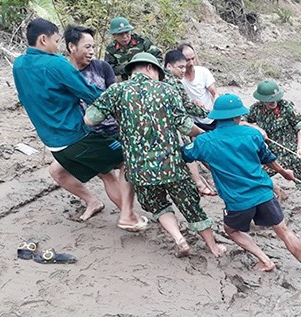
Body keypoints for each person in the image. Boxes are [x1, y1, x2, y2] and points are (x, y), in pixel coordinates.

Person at [84, 52, 225, 258]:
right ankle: (214, 248)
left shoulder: (116, 91)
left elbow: (90, 119)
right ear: (151, 69)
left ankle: (179, 239)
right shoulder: (167, 90)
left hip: (139, 169)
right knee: (191, 207)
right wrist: (206, 136)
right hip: (171, 164)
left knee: (159, 206)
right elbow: (185, 126)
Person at [13, 18, 145, 231]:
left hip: (54, 143)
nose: (58, 47)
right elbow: (92, 94)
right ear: (44, 39)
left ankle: (95, 202)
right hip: (76, 136)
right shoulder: (55, 63)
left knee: (86, 172)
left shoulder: (19, 64)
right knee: (124, 161)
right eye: (56, 41)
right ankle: (129, 216)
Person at [181, 93, 301, 273]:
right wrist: (284, 173)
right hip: (264, 192)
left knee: (231, 230)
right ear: (237, 116)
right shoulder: (252, 134)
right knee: (283, 231)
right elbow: (268, 159)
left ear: (216, 117)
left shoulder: (204, 141)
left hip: (238, 200)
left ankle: (265, 260)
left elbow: (185, 155)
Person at [46, 25, 118, 221]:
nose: (92, 51)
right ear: (71, 47)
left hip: (111, 131)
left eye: (93, 47)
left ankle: (132, 213)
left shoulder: (102, 67)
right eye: (87, 47)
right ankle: (94, 201)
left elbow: (117, 98)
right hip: (80, 136)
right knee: (56, 171)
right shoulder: (60, 72)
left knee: (109, 171)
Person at [245, 80, 301, 231]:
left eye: (275, 99)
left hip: (292, 154)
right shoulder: (255, 110)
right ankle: (277, 194)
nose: (273, 103)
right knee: (256, 177)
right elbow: (242, 122)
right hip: (271, 156)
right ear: (261, 100)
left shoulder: (286, 106)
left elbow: (300, 127)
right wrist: (256, 128)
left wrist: (300, 148)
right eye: (269, 100)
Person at [164, 49, 216, 196]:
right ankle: (199, 183)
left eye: (185, 67)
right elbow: (187, 106)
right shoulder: (173, 82)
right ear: (169, 66)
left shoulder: (159, 79)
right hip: (174, 124)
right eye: (180, 67)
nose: (184, 70)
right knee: (190, 147)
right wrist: (210, 113)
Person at [104, 17, 162, 81]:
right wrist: (130, 67)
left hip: (148, 78)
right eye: (121, 34)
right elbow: (109, 69)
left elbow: (158, 57)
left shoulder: (142, 41)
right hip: (126, 82)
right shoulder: (111, 49)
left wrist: (145, 66)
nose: (125, 36)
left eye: (127, 32)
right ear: (114, 35)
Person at [176, 43, 217, 131]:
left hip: (212, 117)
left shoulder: (203, 72)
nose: (191, 63)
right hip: (194, 123)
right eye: (187, 60)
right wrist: (192, 102)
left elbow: (214, 93)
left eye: (193, 59)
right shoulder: (177, 80)